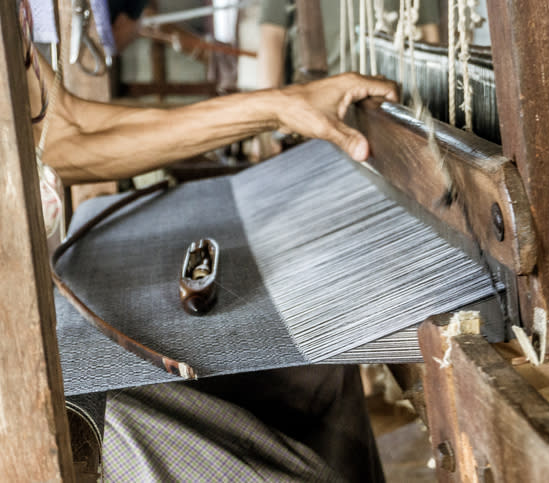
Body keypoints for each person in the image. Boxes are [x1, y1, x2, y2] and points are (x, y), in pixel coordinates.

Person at [18, 1, 398, 480]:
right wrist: (274, 106)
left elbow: (61, 135)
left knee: (320, 377)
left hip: (35, 344)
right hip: (24, 388)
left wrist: (277, 105)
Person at [251, 0, 440, 160]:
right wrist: (265, 128)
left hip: (394, 112)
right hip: (318, 117)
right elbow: (272, 37)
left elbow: (429, 36)